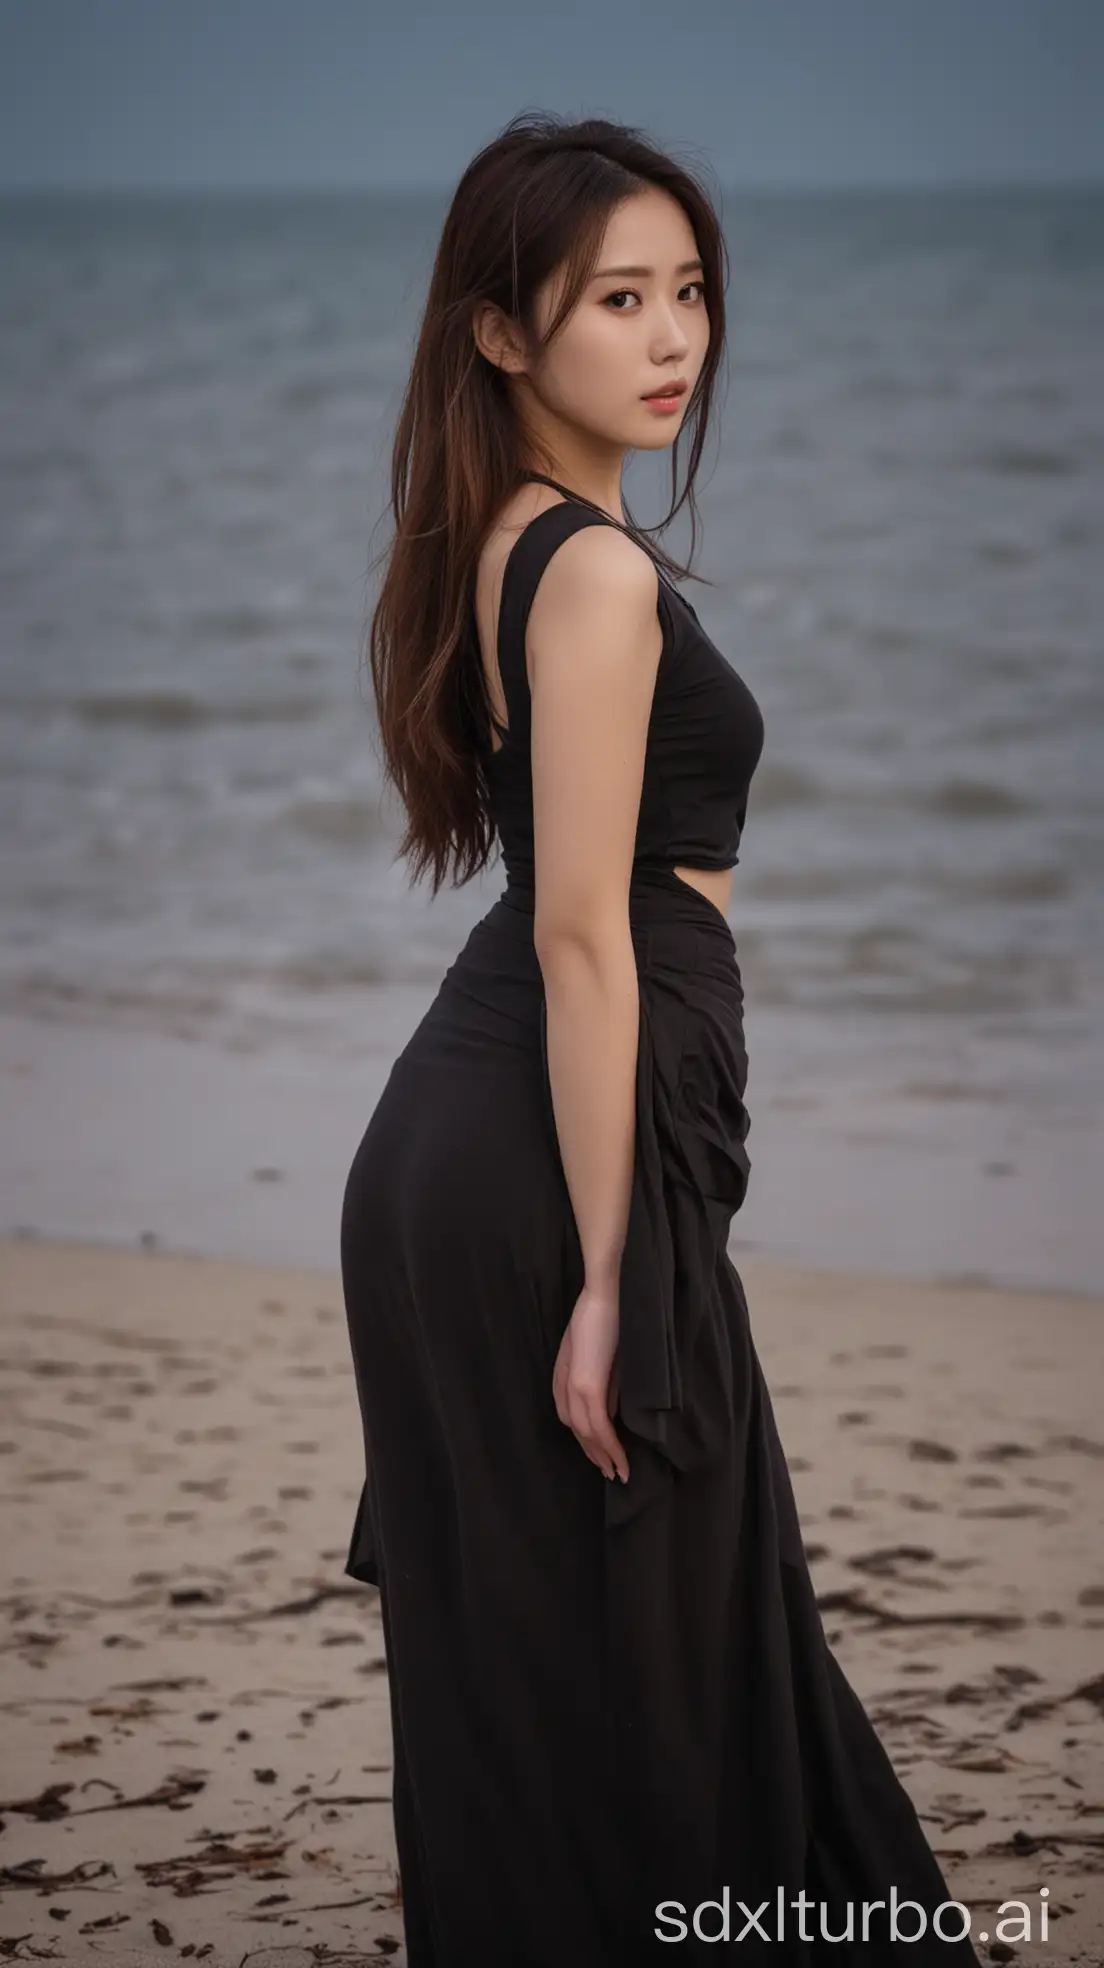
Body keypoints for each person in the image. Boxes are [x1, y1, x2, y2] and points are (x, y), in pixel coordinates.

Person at [340, 111, 982, 1966]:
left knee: (546, 1668)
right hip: (556, 1133)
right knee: (682, 1647)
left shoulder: (509, 539)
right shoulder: (600, 573)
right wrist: (616, 1277)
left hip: (462, 1137)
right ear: (499, 334)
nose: (672, 334)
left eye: (688, 289)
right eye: (618, 297)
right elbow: (579, 933)